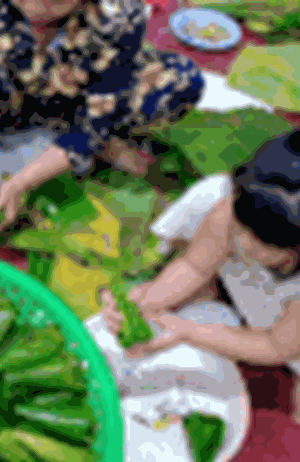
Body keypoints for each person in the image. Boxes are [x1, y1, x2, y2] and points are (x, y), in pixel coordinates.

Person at [0, 0, 205, 231]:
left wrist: (21, 182)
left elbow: (109, 94)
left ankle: (89, 140)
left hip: (76, 87)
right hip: (4, 86)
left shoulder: (120, 10)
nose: (37, 7)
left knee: (179, 82)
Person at [98, 129, 300, 422]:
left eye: (261, 242)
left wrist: (187, 330)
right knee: (209, 207)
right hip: (269, 300)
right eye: (240, 226)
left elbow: (275, 345)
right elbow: (195, 266)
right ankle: (224, 301)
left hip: (289, 336)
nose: (242, 242)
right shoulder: (233, 205)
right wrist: (147, 302)